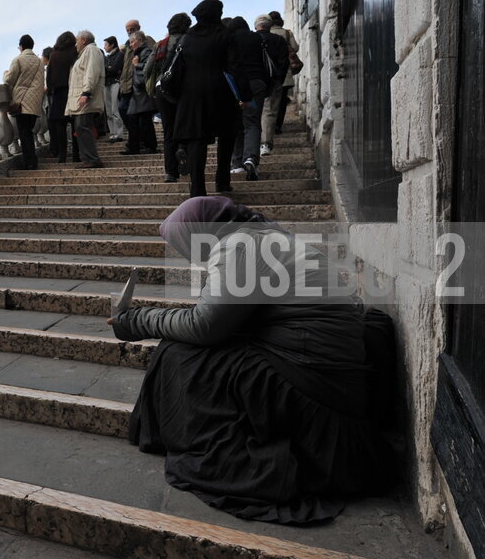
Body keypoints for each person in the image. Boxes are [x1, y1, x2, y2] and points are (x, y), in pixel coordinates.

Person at [110, 197, 394, 524]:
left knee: (179, 354)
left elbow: (205, 326)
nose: (186, 253)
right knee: (193, 348)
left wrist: (136, 321)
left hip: (312, 383)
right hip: (326, 375)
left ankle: (193, 439)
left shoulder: (240, 246)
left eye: (183, 243)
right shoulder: (261, 236)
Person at [160, 0, 248, 197]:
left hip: (191, 95)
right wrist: (244, 95)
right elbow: (236, 67)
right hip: (221, 92)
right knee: (226, 135)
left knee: (196, 140)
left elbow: (169, 67)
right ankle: (222, 181)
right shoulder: (226, 35)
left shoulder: (186, 39)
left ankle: (197, 188)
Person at [146, 13, 191, 182]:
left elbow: (147, 69)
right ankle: (183, 148)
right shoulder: (189, 41)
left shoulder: (160, 44)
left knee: (168, 131)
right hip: (184, 91)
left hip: (162, 89)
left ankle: (170, 172)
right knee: (186, 126)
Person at [228, 16, 272, 181]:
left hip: (235, 85)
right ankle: (251, 157)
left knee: (236, 123)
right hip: (256, 83)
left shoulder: (229, 39)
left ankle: (236, 163)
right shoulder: (257, 38)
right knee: (252, 122)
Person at [3, 34, 46, 170]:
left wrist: (5, 74)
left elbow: (9, 80)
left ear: (21, 47)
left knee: (24, 133)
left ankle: (30, 162)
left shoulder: (18, 59)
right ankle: (32, 160)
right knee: (29, 132)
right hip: (35, 103)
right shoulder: (39, 62)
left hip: (22, 102)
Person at [64, 30, 105, 168]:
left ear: (84, 40)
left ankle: (92, 159)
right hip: (81, 97)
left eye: (77, 41)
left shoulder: (91, 50)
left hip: (85, 97)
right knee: (80, 128)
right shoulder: (86, 53)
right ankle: (88, 159)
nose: (76, 44)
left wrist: (86, 92)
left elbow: (91, 72)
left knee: (82, 127)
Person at [119, 22, 159, 154]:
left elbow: (150, 67)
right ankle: (136, 146)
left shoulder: (146, 50)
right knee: (134, 117)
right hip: (135, 89)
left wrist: (137, 65)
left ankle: (146, 146)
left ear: (140, 41)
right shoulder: (135, 51)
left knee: (143, 119)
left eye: (133, 42)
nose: (131, 45)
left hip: (141, 90)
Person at [264, 11, 301, 151]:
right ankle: (278, 126)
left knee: (269, 103)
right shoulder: (287, 33)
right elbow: (295, 48)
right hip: (284, 73)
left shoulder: (265, 34)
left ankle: (268, 127)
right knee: (282, 101)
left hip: (268, 74)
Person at [46, 32, 79, 163]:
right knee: (75, 125)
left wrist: (50, 90)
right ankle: (76, 155)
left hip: (59, 94)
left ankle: (62, 155)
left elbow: (49, 76)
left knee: (60, 127)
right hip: (73, 92)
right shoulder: (75, 54)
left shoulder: (54, 55)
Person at [103, 36, 125, 142]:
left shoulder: (119, 54)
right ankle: (112, 133)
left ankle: (119, 134)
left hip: (115, 83)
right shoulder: (107, 57)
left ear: (112, 45)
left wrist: (108, 69)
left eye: (106, 45)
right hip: (106, 84)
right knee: (108, 111)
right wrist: (109, 69)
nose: (104, 47)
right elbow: (107, 69)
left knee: (114, 108)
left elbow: (115, 69)